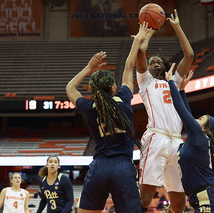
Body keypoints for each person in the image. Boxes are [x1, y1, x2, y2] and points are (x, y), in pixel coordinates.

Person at [66, 23, 151, 213]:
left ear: (94, 91)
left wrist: (89, 68)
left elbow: (70, 88)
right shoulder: (123, 98)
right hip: (123, 167)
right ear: (113, 88)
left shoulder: (89, 108)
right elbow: (129, 67)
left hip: (99, 167)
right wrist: (137, 40)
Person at [136, 9, 194, 213]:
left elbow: (189, 55)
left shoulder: (174, 80)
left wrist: (177, 28)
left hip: (177, 142)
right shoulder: (145, 82)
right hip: (156, 138)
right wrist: (150, 30)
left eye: (158, 61)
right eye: (152, 62)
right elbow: (141, 53)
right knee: (144, 198)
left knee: (179, 204)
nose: (155, 62)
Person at [165, 66, 214, 212]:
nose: (195, 119)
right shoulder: (197, 140)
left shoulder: (200, 137)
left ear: (205, 129)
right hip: (202, 198)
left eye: (200, 119)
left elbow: (181, 109)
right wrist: (181, 90)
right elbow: (187, 113)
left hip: (209, 198)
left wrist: (170, 82)